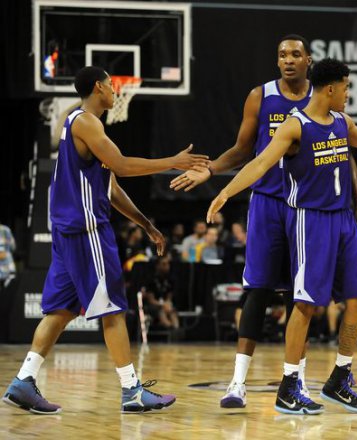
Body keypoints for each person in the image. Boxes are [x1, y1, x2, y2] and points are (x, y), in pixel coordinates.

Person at [205, 58, 357, 414]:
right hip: (311, 220)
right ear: (331, 88)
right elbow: (259, 163)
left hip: (343, 219)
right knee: (305, 303)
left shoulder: (340, 121)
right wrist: (226, 192)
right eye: (346, 87)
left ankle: (339, 377)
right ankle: (289, 385)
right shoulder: (295, 126)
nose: (348, 94)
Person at [171, 35, 357, 409]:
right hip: (267, 203)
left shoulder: (325, 100)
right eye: (282, 55)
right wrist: (210, 171)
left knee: (301, 296)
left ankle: (297, 383)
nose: (288, 60)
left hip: (307, 208)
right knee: (258, 289)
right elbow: (244, 152)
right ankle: (237, 383)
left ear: (308, 60)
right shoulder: (260, 96)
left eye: (295, 54)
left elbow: (344, 155)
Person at [2, 66, 209, 414]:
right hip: (87, 231)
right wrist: (173, 162)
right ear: (98, 87)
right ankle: (131, 390)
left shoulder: (83, 126)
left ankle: (24, 380)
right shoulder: (85, 122)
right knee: (113, 309)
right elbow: (123, 166)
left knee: (61, 311)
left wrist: (146, 224)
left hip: (68, 232)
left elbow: (112, 187)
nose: (115, 92)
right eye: (112, 86)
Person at [143, 255, 179, 329]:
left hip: (165, 305)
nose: (167, 266)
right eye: (164, 264)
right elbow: (151, 300)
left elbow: (169, 297)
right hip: (153, 306)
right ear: (157, 266)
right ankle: (169, 327)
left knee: (172, 310)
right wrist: (163, 305)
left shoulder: (170, 280)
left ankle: (176, 329)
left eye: (168, 264)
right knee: (160, 311)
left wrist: (168, 304)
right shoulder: (151, 280)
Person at [0, 223, 16, 287]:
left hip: (7, 268)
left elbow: (13, 247)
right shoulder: (6, 229)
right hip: (8, 269)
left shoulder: (6, 230)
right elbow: (13, 247)